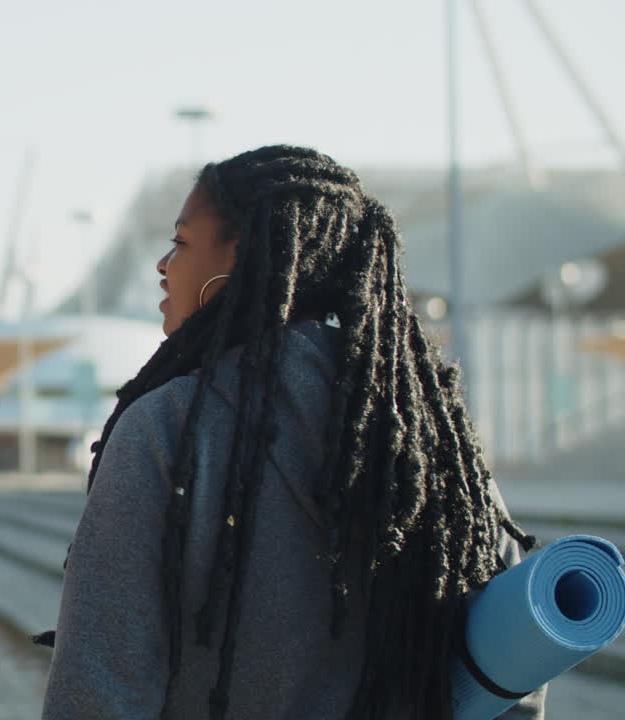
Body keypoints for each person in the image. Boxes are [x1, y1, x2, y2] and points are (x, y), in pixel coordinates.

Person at [41, 146, 545, 719]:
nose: (162, 264)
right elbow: (513, 664)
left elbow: (101, 686)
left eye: (181, 243)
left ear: (247, 262)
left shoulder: (167, 429)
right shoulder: (425, 437)